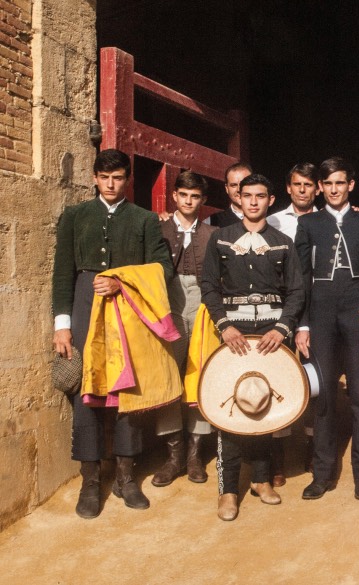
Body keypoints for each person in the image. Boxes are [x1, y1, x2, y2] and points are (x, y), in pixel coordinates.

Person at [52, 149, 175, 518]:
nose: (111, 184)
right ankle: (91, 481)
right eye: (104, 177)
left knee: (127, 394)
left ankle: (125, 477)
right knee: (86, 393)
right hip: (85, 308)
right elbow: (62, 272)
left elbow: (163, 268)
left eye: (118, 177)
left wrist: (123, 282)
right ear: (94, 177)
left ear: (127, 179)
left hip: (128, 312)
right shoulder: (75, 216)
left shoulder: (144, 219)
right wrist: (62, 326)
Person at [200, 173, 307, 521]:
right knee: (229, 407)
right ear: (238, 198)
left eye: (261, 196)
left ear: (270, 200)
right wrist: (223, 324)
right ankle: (228, 489)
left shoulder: (282, 242)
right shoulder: (221, 239)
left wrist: (283, 327)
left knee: (263, 403)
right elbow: (208, 286)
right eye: (247, 196)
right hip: (234, 331)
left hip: (272, 332)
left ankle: (261, 479)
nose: (254, 202)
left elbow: (296, 291)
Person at [294, 157, 359, 501]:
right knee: (324, 394)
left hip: (356, 313)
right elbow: (300, 277)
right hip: (320, 314)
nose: (333, 190)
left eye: (340, 183)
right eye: (327, 184)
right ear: (320, 187)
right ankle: (323, 472)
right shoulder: (310, 223)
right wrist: (302, 324)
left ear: (351, 185)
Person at [152, 171, 218, 487]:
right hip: (169, 300)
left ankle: (195, 453)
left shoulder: (213, 234)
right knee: (168, 373)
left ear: (202, 201)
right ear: (174, 196)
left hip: (202, 302)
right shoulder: (158, 228)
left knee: (200, 372)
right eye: (184, 195)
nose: (189, 201)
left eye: (195, 197)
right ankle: (174, 454)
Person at [266, 162, 320, 486]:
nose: (302, 190)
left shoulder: (327, 221)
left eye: (308, 185)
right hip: (280, 307)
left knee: (314, 379)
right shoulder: (272, 221)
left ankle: (313, 446)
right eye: (297, 184)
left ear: (317, 189)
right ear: (288, 188)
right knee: (280, 379)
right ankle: (278, 454)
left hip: (314, 305)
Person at [207, 162, 252, 227]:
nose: (238, 190)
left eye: (243, 184)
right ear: (227, 188)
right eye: (233, 185)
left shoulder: (269, 219)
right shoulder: (213, 222)